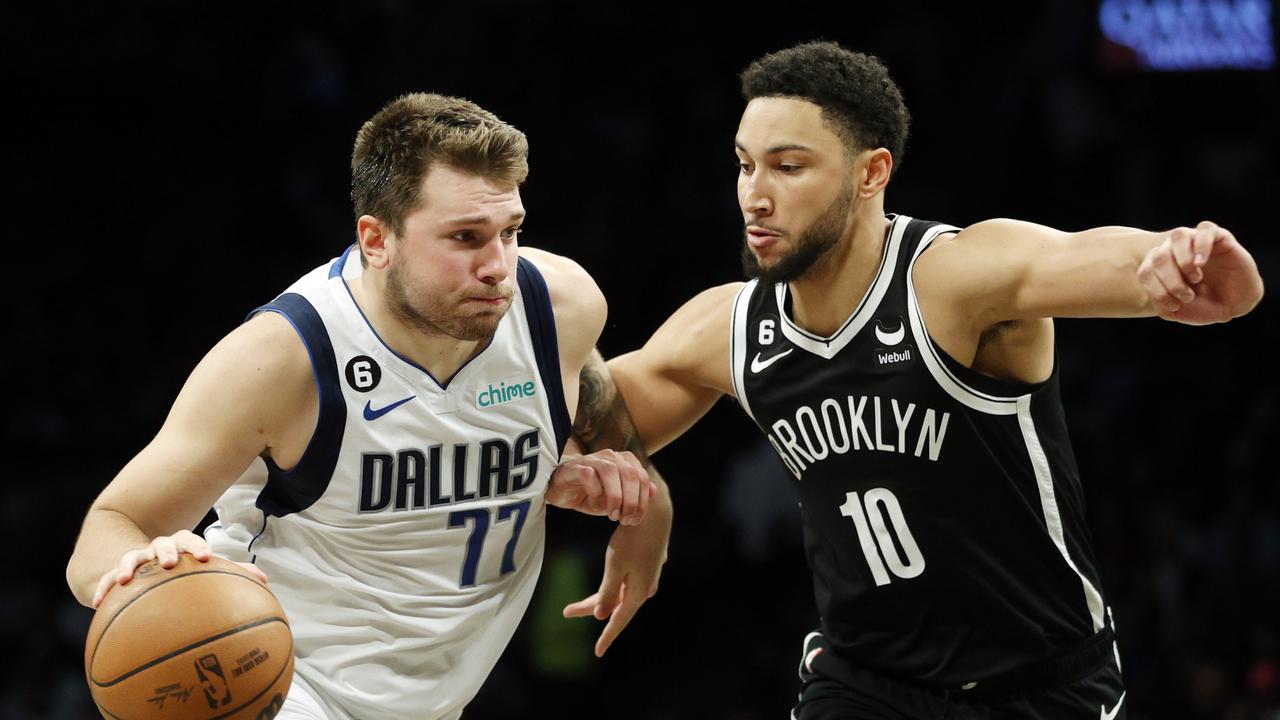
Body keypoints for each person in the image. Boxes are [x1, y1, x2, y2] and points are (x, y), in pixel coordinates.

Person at [569, 42, 1264, 719]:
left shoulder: (951, 280)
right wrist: (646, 497)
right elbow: (584, 418)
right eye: (745, 166)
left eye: (787, 167)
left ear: (872, 173)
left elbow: (1077, 256)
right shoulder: (730, 327)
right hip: (864, 681)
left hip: (1040, 683)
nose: (755, 195)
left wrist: (1170, 262)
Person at [65, 92, 669, 720]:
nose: (498, 267)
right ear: (376, 240)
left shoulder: (558, 308)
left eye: (511, 232)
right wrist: (133, 569)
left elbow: (583, 418)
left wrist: (601, 487)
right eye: (465, 237)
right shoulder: (284, 358)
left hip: (439, 698)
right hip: (283, 683)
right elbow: (109, 529)